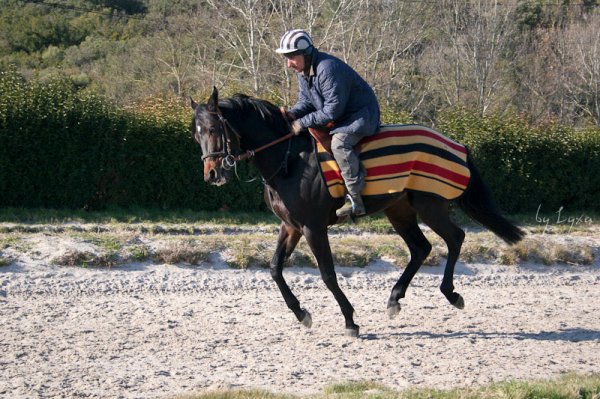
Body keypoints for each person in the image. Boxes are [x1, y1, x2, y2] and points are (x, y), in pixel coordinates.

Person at [276, 29, 381, 217]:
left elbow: (333, 110)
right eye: (286, 57)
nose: (288, 63)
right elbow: (306, 102)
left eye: (291, 57)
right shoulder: (303, 71)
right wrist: (291, 114)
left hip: (360, 117)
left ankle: (356, 200)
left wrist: (302, 122)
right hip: (343, 118)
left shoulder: (327, 68)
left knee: (339, 144)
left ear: (305, 53)